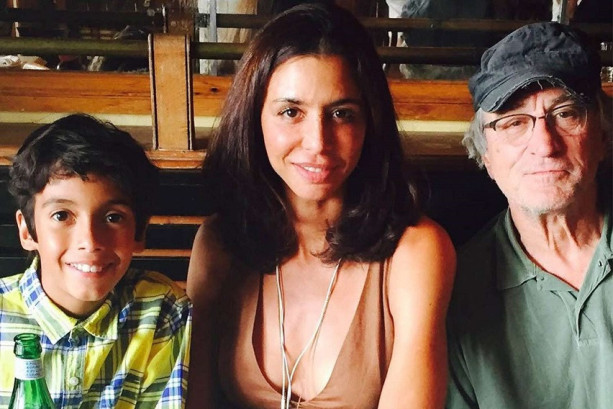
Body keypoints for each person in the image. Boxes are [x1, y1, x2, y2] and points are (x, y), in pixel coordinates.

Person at [186, 3, 455, 409]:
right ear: (254, 118)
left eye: (342, 114)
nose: (318, 142)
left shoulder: (416, 250)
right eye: (291, 112)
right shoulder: (220, 243)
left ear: (370, 123)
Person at [446, 22, 612, 409]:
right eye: (514, 122)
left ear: (603, 137)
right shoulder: (453, 293)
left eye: (566, 114)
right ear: (486, 156)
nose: (545, 144)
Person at [0, 114, 192, 408]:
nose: (89, 241)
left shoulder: (162, 312)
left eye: (113, 218)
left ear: (140, 232)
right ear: (27, 230)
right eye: (62, 215)